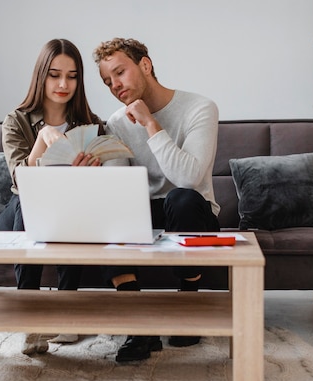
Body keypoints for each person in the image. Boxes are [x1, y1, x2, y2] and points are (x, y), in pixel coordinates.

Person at [93, 37, 221, 362]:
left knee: (181, 198)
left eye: (120, 73)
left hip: (192, 213)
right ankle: (139, 324)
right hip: (143, 213)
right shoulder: (115, 124)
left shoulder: (200, 108)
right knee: (104, 212)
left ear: (145, 66)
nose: (114, 85)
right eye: (108, 81)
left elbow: (189, 178)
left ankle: (187, 307)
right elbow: (119, 189)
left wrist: (151, 124)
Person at [0, 38, 103, 355]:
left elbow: (100, 185)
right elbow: (21, 178)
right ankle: (32, 317)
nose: (63, 84)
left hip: (71, 208)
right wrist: (42, 139)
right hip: (22, 207)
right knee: (31, 203)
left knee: (74, 210)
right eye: (55, 75)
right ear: (41, 75)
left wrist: (92, 169)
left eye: (71, 76)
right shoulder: (16, 119)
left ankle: (67, 311)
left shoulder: (92, 124)